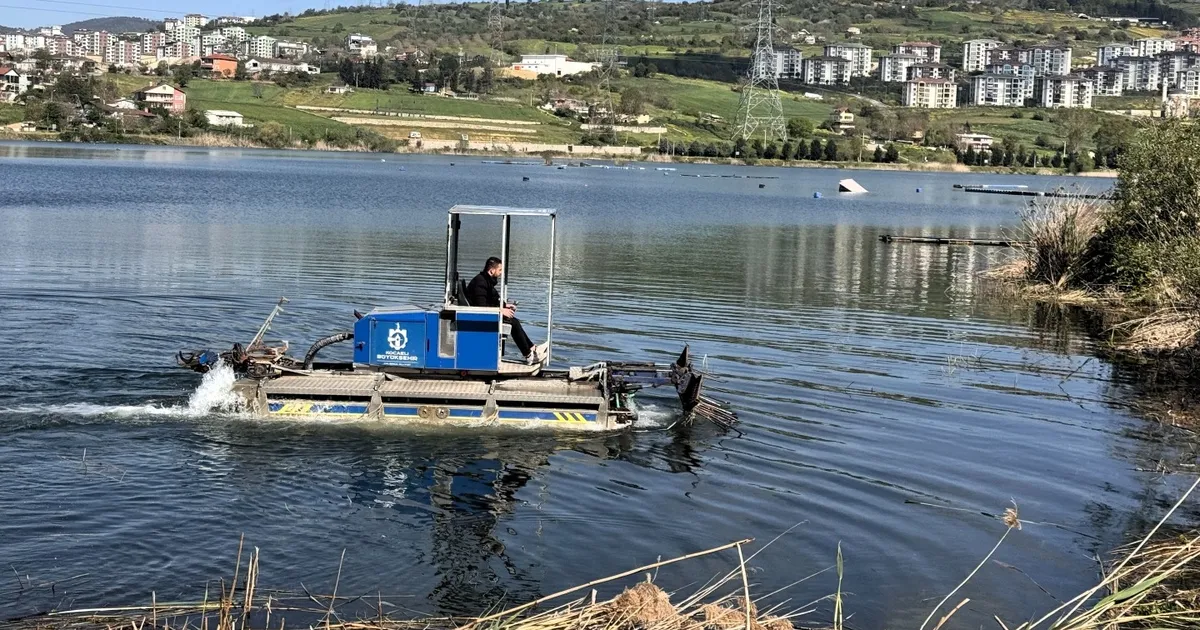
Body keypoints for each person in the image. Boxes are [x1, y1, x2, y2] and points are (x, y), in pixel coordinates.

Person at [466, 257, 547, 364]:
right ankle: (528, 355)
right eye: (499, 270)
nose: (501, 273)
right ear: (492, 270)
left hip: (484, 314)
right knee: (513, 322)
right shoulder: (481, 283)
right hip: (478, 318)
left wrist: (505, 305)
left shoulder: (486, 280)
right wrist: (501, 311)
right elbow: (482, 307)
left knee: (514, 320)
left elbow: (494, 298)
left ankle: (531, 348)